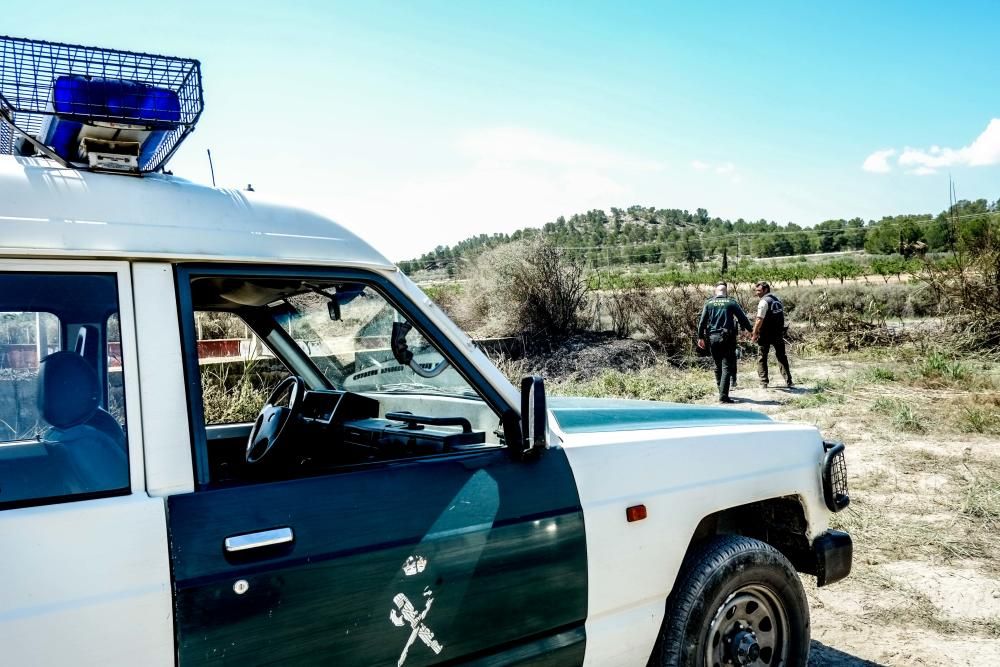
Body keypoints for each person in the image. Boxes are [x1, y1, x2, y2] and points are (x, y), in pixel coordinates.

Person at [697, 282, 753, 403]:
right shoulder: (731, 302)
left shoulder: (709, 303)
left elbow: (702, 322)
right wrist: (751, 330)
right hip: (728, 338)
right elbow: (742, 318)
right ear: (726, 291)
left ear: (715, 291)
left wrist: (700, 337)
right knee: (727, 366)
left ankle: (721, 391)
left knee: (717, 366)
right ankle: (723, 396)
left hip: (713, 337)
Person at [751, 280, 793, 388]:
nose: (757, 293)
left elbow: (759, 319)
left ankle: (763, 382)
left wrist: (754, 333)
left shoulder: (764, 302)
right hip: (778, 333)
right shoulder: (777, 299)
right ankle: (789, 381)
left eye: (759, 290)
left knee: (761, 357)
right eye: (756, 290)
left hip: (765, 334)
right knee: (781, 356)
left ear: (765, 290)